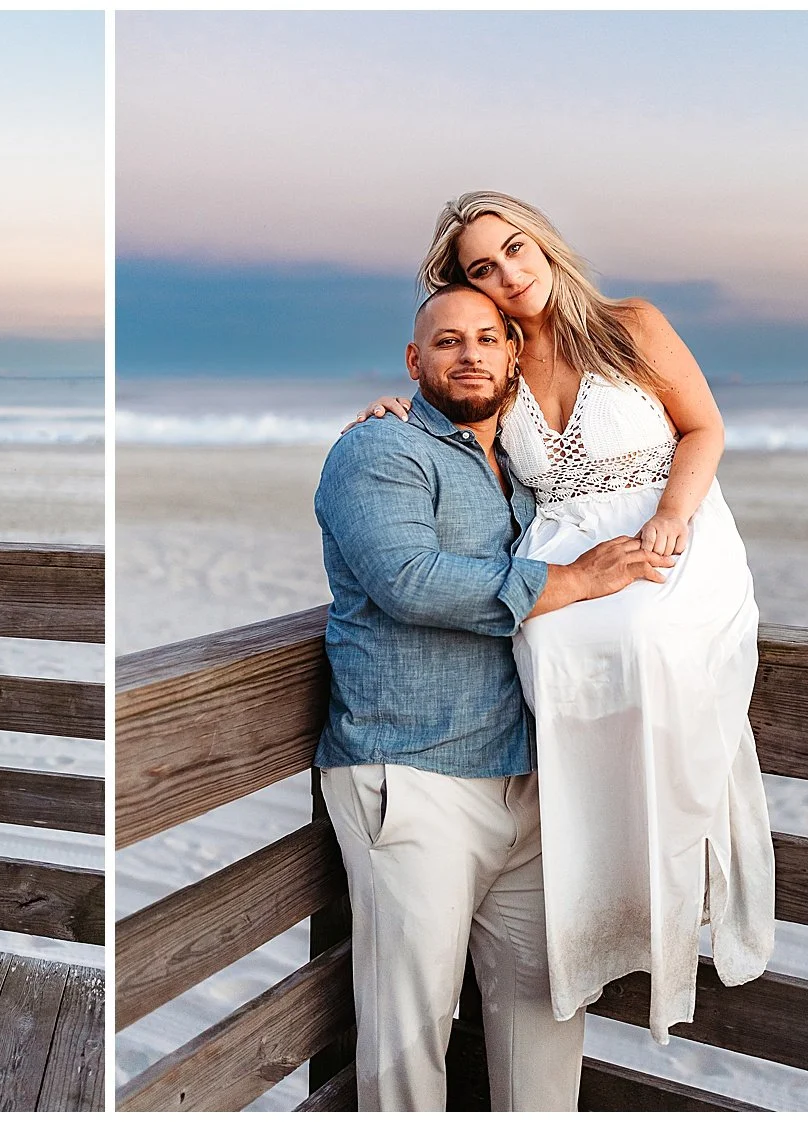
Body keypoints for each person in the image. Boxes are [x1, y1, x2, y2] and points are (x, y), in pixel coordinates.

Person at [352, 191, 775, 1045]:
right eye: (483, 269)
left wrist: (671, 519)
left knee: (648, 639)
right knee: (542, 643)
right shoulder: (501, 361)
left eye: (515, 249)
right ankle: (602, 885)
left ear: (543, 243)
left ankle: (677, 870)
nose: (509, 274)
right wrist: (403, 414)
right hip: (565, 546)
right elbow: (457, 407)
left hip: (670, 520)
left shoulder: (632, 325)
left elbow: (704, 429)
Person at [316, 283, 678, 1110]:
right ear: (415, 361)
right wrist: (576, 580)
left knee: (545, 1012)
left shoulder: (515, 464)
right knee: (409, 1030)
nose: (470, 353)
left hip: (526, 780)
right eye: (447, 341)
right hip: (412, 777)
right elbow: (411, 582)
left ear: (514, 354)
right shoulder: (380, 453)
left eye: (488, 338)